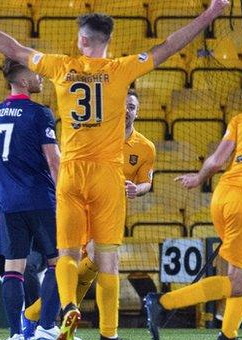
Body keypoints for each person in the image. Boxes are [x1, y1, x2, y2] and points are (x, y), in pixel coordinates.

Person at [0, 0, 230, 340]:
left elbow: (13, 48)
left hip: (71, 173)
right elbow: (168, 46)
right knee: (107, 261)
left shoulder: (61, 67)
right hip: (107, 174)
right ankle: (109, 337)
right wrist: (209, 14)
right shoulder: (121, 69)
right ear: (107, 40)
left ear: (83, 41)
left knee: (68, 254)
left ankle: (70, 306)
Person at [24, 88, 156, 319]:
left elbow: (146, 183)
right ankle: (40, 316)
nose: (126, 111)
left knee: (93, 262)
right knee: (79, 264)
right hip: (81, 208)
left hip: (111, 213)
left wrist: (137, 189)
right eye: (122, 106)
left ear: (138, 112)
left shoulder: (146, 148)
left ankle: (47, 315)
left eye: (132, 107)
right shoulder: (98, 137)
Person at [145, 110, 242, 340]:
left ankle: (227, 338)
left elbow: (216, 162)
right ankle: (162, 302)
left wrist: (198, 178)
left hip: (224, 194)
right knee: (239, 284)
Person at [0, 58, 67, 340]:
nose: (41, 78)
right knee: (59, 261)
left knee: (13, 268)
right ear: (22, 79)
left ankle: (15, 335)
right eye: (36, 73)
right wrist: (65, 196)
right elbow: (54, 160)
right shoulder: (40, 113)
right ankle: (45, 327)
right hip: (42, 200)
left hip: (9, 204)